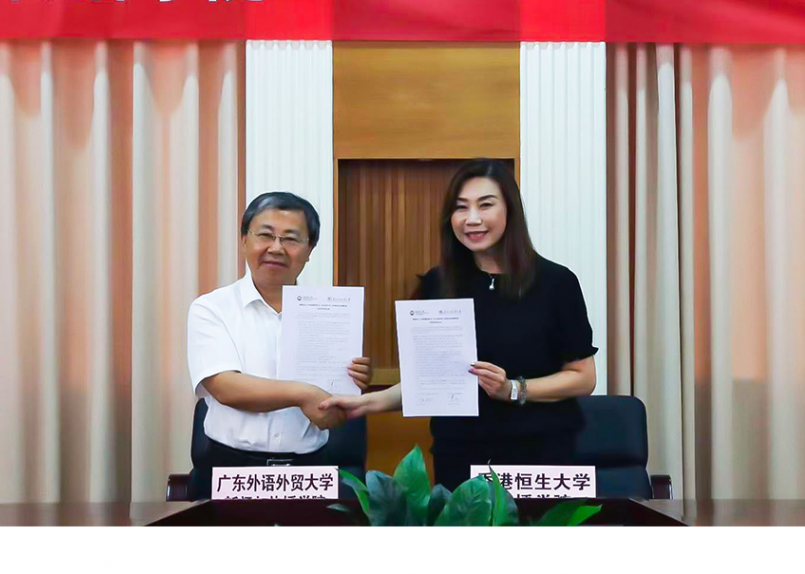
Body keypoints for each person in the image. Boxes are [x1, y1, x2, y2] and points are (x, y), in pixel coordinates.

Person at [321, 159, 597, 490]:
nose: (472, 219)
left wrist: (512, 389)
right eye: (460, 207)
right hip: (460, 456)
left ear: (510, 210)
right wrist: (362, 404)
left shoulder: (557, 282)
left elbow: (583, 378)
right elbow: (429, 383)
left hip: (541, 457)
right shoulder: (439, 284)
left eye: (486, 205)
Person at [186, 191, 373, 499]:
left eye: (291, 239)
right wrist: (303, 393)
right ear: (244, 239)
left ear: (310, 249)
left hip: (309, 473)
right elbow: (224, 386)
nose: (276, 248)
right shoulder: (211, 308)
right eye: (265, 235)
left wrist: (356, 378)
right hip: (229, 472)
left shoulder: (330, 312)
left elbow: (336, 395)